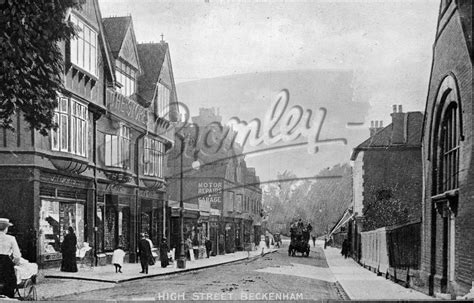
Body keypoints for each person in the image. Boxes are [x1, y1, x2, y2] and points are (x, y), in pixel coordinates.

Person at [0, 218, 21, 298]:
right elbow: (17, 255)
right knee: (8, 282)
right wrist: (16, 262)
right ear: (6, 228)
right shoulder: (11, 238)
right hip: (5, 262)